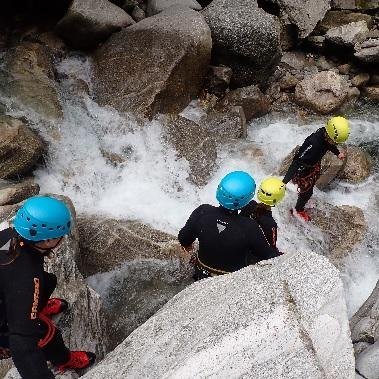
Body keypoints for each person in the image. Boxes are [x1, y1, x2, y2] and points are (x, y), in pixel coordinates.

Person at [0, 196, 95, 379]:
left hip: (6, 291)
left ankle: (32, 309)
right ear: (48, 241)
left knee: (49, 280)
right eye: (61, 235)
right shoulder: (26, 278)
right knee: (45, 332)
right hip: (6, 314)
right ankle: (63, 359)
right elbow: (23, 343)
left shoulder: (9, 236)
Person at [178, 171, 279, 281]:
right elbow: (269, 256)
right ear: (247, 199)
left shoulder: (202, 211)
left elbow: (183, 239)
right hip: (230, 281)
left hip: (200, 272)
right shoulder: (249, 227)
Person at [282, 116, 350, 221]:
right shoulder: (314, 144)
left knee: (310, 187)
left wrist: (337, 153)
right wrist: (284, 181)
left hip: (313, 164)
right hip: (303, 169)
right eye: (335, 142)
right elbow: (297, 161)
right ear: (329, 136)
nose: (335, 144)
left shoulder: (325, 133)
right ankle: (298, 209)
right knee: (307, 193)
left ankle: (303, 198)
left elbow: (328, 144)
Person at [240, 177, 286, 255]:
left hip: (238, 239)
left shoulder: (250, 204)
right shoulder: (271, 224)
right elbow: (271, 247)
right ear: (278, 199)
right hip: (250, 252)